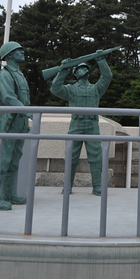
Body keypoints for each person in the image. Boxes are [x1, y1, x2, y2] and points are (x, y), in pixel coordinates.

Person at [51, 55, 112, 195]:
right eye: (79, 69)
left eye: (85, 68)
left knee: (96, 157)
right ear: (76, 74)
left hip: (92, 125)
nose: (83, 70)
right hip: (76, 126)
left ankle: (97, 187)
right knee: (71, 157)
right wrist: (63, 71)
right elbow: (55, 88)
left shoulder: (96, 89)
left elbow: (107, 77)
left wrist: (101, 61)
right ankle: (68, 186)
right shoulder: (71, 89)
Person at [0, 41, 30, 211]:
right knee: (1, 160)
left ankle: (7, 193)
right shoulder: (5, 75)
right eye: (19, 50)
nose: (23, 51)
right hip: (8, 121)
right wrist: (27, 111)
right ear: (10, 55)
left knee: (14, 160)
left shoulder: (19, 74)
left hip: (20, 121)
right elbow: (9, 97)